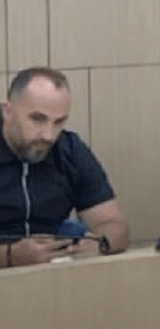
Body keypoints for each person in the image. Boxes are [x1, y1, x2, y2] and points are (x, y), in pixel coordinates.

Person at [0, 68, 130, 267]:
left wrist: (100, 244)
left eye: (59, 122)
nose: (48, 135)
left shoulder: (69, 150)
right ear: (7, 111)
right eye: (37, 119)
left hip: (52, 272)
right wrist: (10, 257)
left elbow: (115, 225)